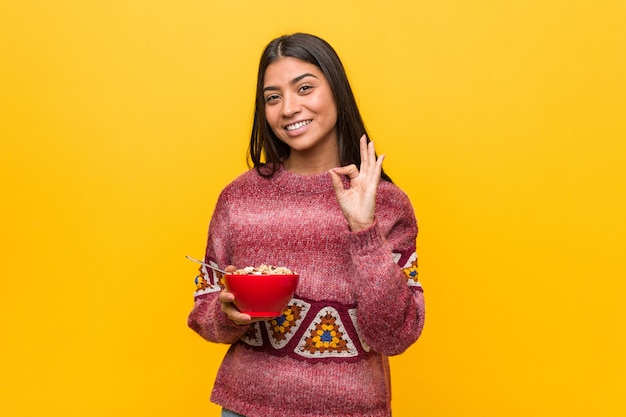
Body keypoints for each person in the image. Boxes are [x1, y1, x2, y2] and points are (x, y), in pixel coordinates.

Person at [188, 32, 425, 417]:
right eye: (273, 97)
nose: (288, 108)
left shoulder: (386, 203)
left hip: (351, 410)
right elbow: (202, 311)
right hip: (246, 407)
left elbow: (395, 335)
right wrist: (226, 314)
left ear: (337, 91)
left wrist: (364, 230)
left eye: (305, 88)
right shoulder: (239, 198)